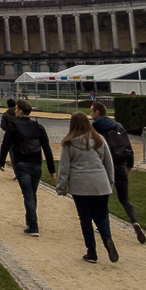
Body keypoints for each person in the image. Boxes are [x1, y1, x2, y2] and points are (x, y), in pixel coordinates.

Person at [56, 112, 118, 263]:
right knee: (101, 217)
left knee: (85, 219)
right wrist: (110, 182)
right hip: (100, 183)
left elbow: (64, 167)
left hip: (80, 185)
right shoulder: (99, 139)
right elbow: (108, 163)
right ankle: (107, 239)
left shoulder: (69, 143)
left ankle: (92, 252)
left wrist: (61, 187)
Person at [0, 100, 56, 236]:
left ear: (20, 111)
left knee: (28, 195)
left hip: (21, 163)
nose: (15, 111)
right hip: (36, 163)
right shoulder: (38, 127)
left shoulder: (13, 127)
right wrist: (52, 170)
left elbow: (5, 145)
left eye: (17, 109)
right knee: (32, 193)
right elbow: (47, 149)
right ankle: (31, 220)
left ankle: (33, 225)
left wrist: (1, 161)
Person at [91, 101, 145, 244]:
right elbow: (127, 145)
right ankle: (135, 222)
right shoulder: (118, 125)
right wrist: (129, 164)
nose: (91, 115)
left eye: (92, 112)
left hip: (105, 165)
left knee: (103, 197)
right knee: (124, 198)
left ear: (97, 113)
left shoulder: (95, 127)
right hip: (121, 163)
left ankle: (102, 225)